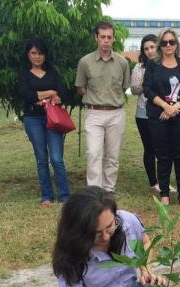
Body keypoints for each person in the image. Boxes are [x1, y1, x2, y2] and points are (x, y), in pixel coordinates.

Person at [75, 21, 130, 192]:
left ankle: (108, 190)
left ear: (113, 39)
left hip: (116, 113)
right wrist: (95, 98)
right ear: (96, 38)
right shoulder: (85, 62)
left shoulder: (122, 63)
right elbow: (80, 87)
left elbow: (124, 87)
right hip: (94, 113)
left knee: (112, 156)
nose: (106, 40)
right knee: (93, 154)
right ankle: (94, 191)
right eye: (102, 37)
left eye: (109, 37)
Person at [143, 28, 180, 208]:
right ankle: (164, 193)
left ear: (176, 43)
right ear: (160, 45)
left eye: (171, 42)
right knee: (163, 155)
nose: (168, 45)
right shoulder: (153, 65)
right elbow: (147, 89)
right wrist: (165, 106)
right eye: (164, 42)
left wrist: (175, 107)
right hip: (158, 115)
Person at [18, 37, 71, 208]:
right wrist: (49, 92)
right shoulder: (24, 74)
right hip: (33, 119)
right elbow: (26, 96)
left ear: (45, 55)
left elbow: (62, 93)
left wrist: (51, 96)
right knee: (41, 158)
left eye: (40, 53)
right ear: (28, 54)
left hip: (53, 118)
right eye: (33, 53)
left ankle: (65, 195)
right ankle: (46, 195)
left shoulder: (53, 72)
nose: (37, 56)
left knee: (56, 158)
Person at [130, 34, 160, 194]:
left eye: (152, 47)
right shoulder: (139, 67)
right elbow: (134, 89)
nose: (150, 51)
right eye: (146, 48)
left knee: (163, 148)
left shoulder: (166, 64)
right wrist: (148, 83)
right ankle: (153, 182)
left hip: (163, 112)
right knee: (150, 148)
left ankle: (163, 179)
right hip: (144, 113)